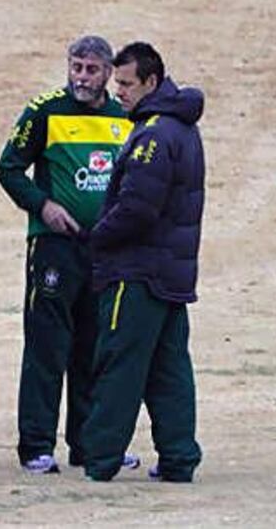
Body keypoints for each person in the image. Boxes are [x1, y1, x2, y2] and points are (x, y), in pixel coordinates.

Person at [0, 35, 140, 474]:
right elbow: (8, 167)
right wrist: (43, 205)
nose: (81, 77)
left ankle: (87, 443)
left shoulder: (123, 116)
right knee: (46, 346)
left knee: (92, 348)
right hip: (53, 248)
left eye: (91, 69)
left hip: (102, 250)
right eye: (76, 67)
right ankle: (36, 446)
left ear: (108, 72)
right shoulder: (45, 109)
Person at [81, 42, 205, 482]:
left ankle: (100, 458)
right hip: (171, 273)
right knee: (169, 368)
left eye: (127, 84)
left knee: (120, 364)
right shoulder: (183, 128)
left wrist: (96, 239)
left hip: (137, 274)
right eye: (117, 83)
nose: (119, 92)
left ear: (151, 83)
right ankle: (178, 457)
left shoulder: (153, 134)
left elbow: (137, 208)